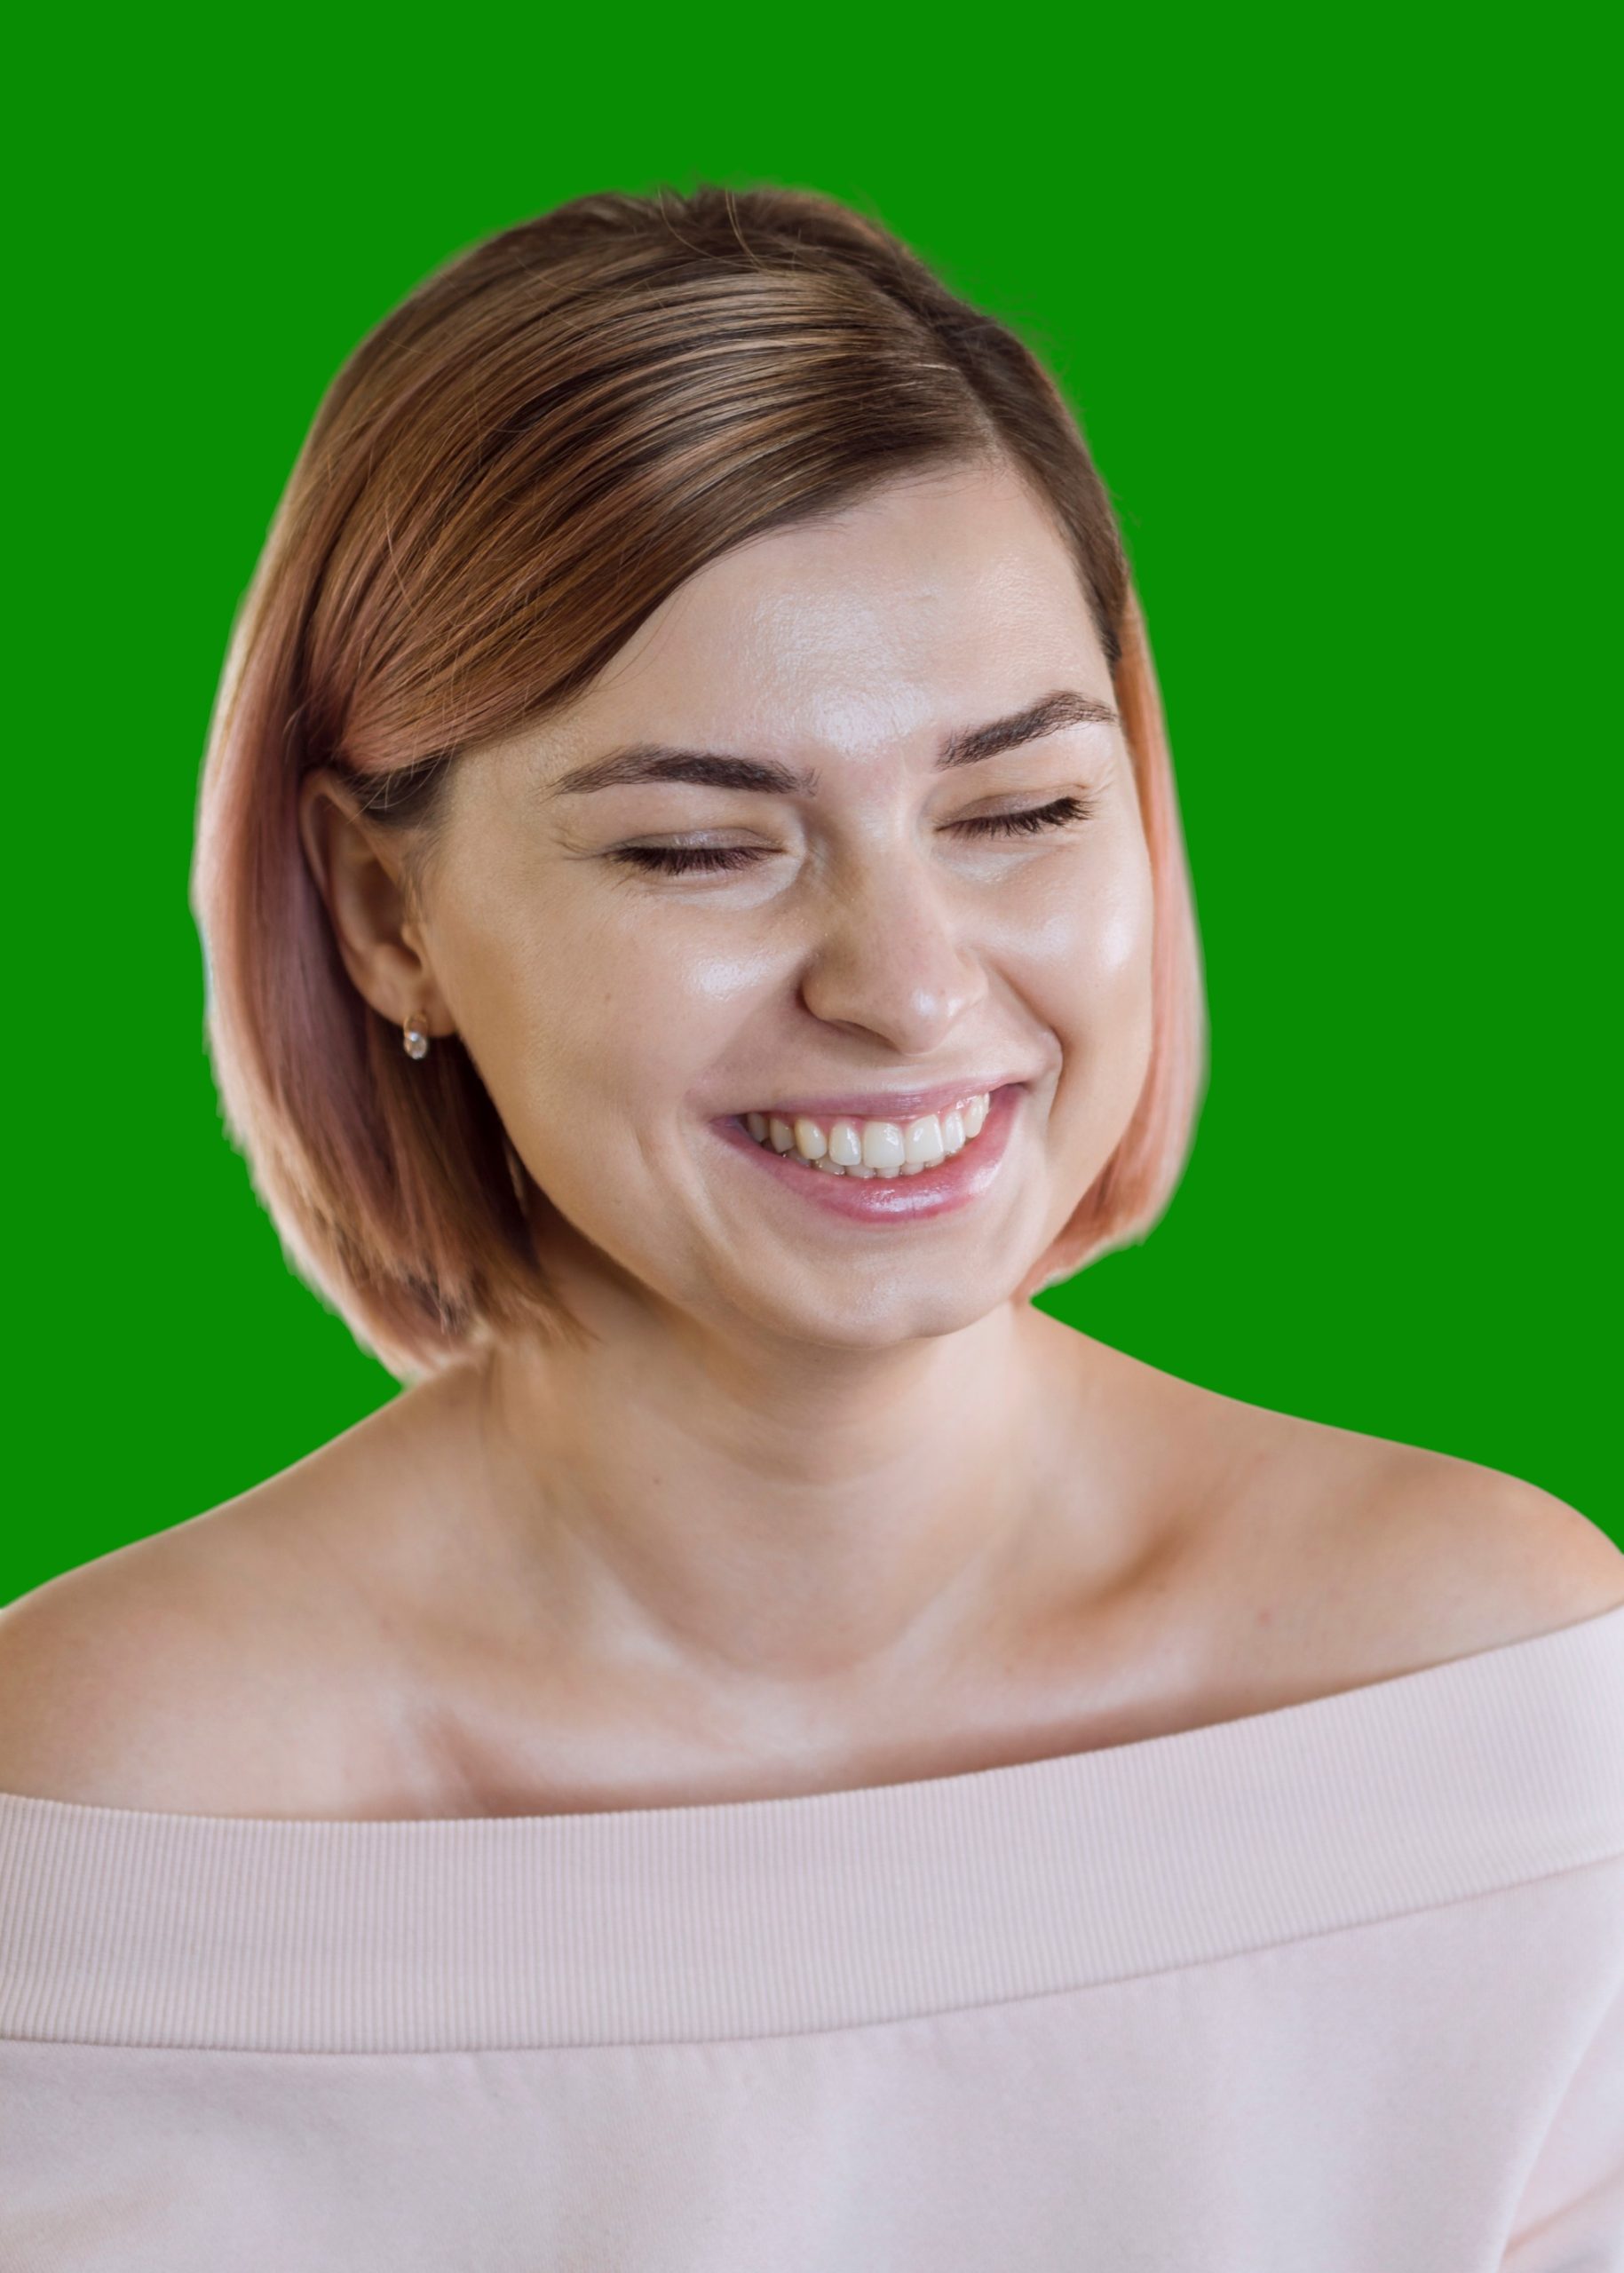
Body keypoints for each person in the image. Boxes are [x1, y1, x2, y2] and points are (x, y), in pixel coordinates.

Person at [1, 183, 1620, 2270]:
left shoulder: (1494, 1702)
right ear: (387, 910)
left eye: (1019, 809)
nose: (912, 984)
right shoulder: (96, 1818)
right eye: (700, 845)